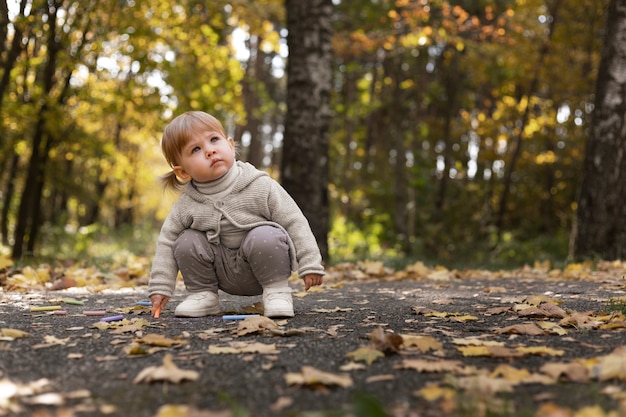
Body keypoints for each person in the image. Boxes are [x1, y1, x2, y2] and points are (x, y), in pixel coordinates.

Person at [148, 111, 325, 319]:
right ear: (183, 172)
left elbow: (293, 219)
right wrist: (160, 286)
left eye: (214, 140)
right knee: (185, 240)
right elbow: (167, 242)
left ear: (230, 145)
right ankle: (203, 295)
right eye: (196, 149)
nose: (210, 151)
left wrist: (310, 262)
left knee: (265, 234)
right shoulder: (186, 205)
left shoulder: (259, 185)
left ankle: (277, 292)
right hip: (220, 272)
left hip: (263, 265)